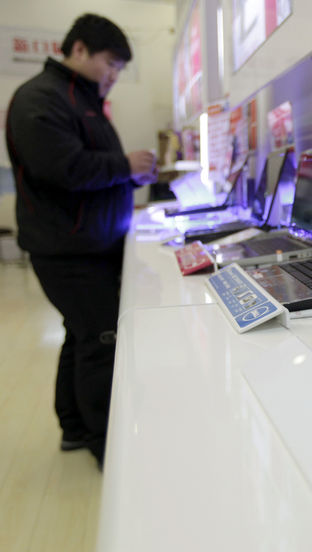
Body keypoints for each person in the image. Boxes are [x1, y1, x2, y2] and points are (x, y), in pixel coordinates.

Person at [4, 14, 156, 468]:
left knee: (82, 335)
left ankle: (73, 426)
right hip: (68, 252)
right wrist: (125, 166)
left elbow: (93, 166)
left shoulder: (82, 99)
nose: (113, 76)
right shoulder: (40, 99)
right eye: (110, 64)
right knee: (102, 341)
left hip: (90, 245)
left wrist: (130, 175)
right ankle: (104, 445)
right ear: (79, 50)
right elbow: (65, 169)